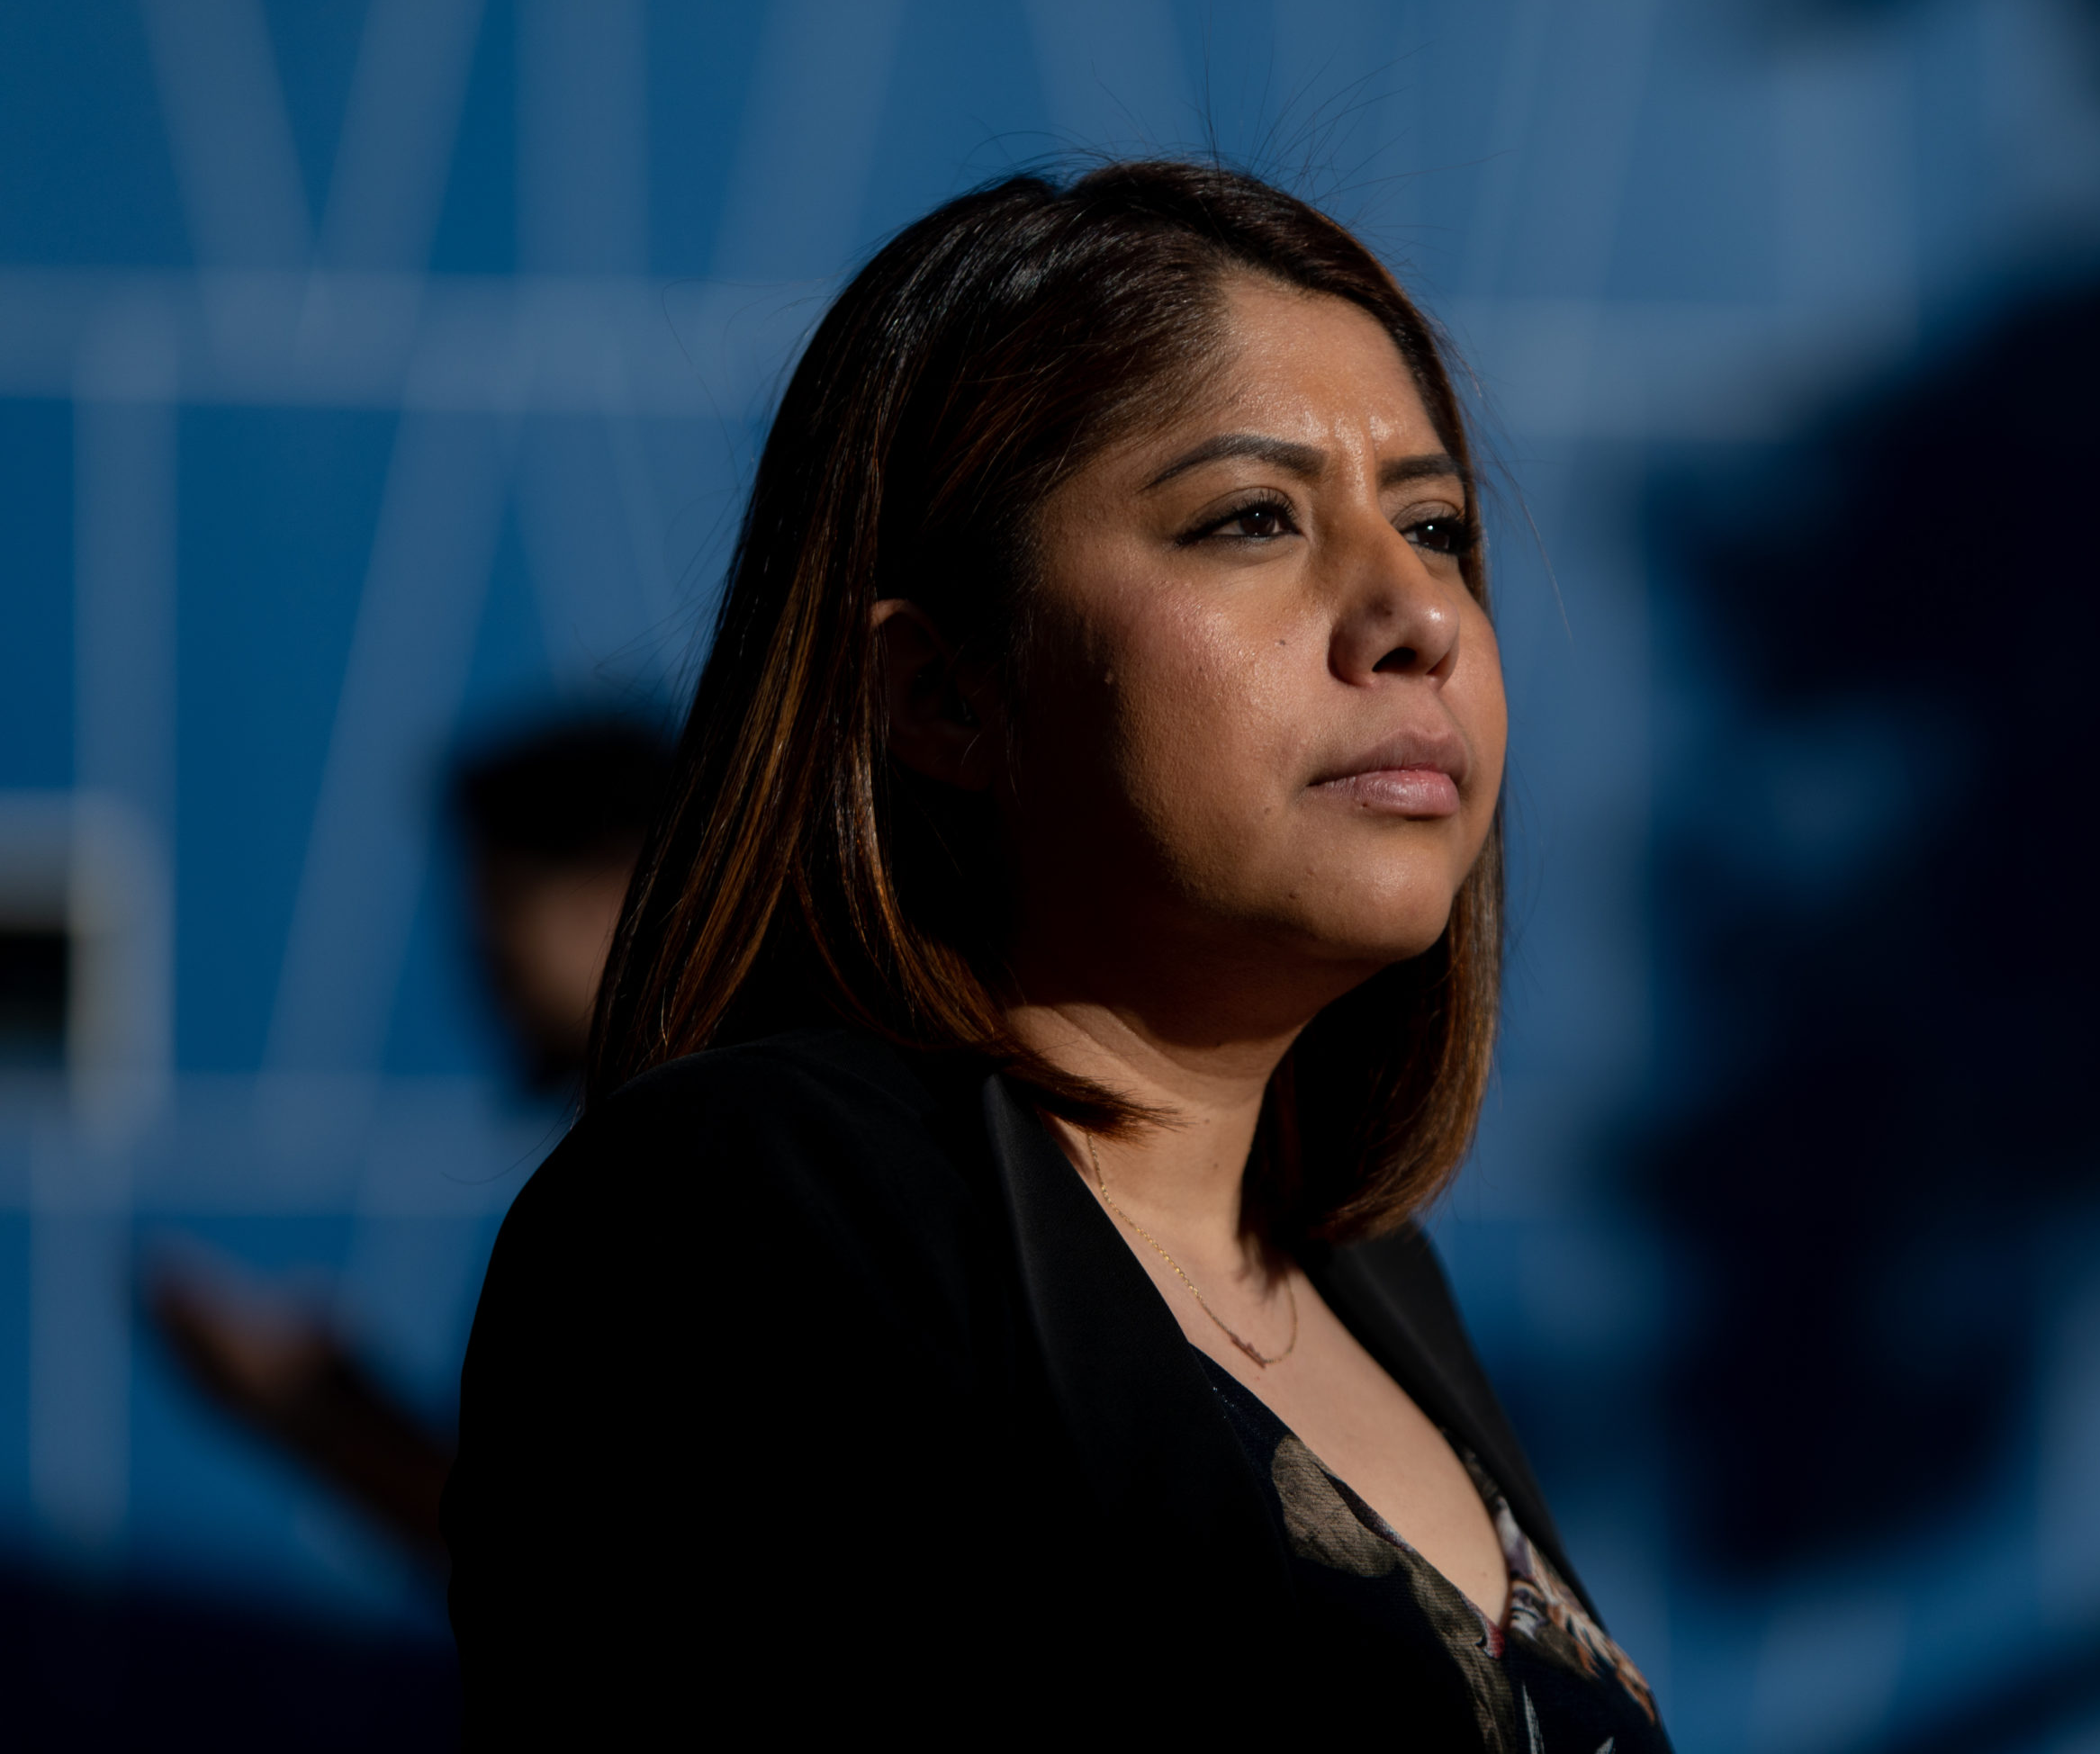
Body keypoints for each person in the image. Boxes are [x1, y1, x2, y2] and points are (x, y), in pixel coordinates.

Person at [446, 161, 1668, 1752]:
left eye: (1435, 525)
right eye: (1253, 517)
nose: (1413, 613)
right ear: (945, 695)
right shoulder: (755, 1205)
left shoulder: (1371, 1279)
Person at [148, 716, 671, 1569]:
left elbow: (559, 1557)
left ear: (616, 888)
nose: (479, 961)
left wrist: (316, 1415)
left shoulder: (677, 1167)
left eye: (501, 909)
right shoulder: (691, 1144)